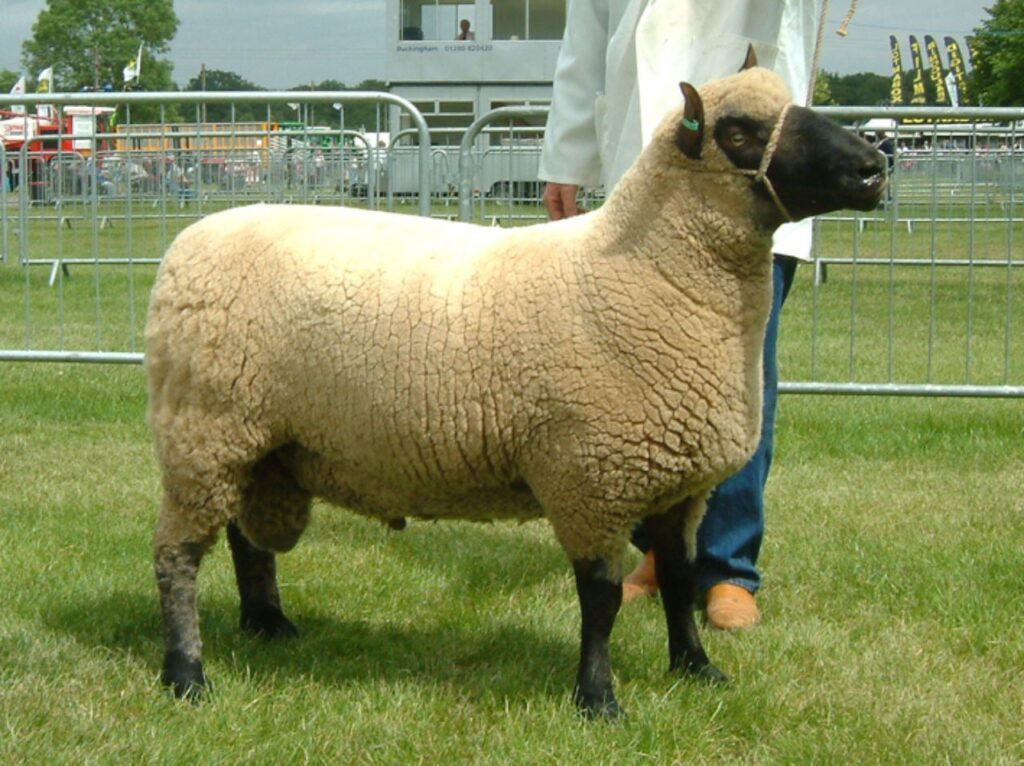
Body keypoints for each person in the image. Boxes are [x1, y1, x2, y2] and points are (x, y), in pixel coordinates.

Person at [539, 0, 825, 630]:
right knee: (633, 391)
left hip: (749, 180)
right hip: (645, 186)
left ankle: (728, 567)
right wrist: (567, 156)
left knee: (735, 387)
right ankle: (659, 553)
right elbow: (585, 37)